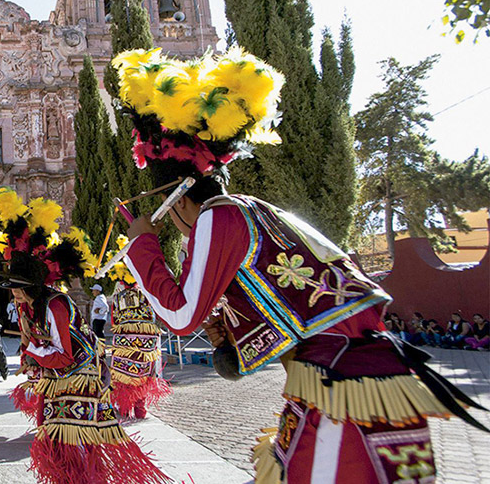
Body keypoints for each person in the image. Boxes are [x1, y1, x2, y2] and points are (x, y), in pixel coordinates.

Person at [111, 47, 488, 483]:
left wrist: (142, 246)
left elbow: (178, 315)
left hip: (339, 386)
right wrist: (230, 333)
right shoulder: (252, 211)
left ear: (175, 195)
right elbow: (290, 303)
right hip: (349, 381)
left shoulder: (218, 216)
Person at [0, 188, 170, 484]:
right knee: (56, 439)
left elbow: (64, 354)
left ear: (29, 288)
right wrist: (31, 352)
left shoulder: (56, 306)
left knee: (73, 443)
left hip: (78, 378)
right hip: (61, 378)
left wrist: (33, 351)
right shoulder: (33, 307)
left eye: (15, 287)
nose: (11, 294)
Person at [104, 235, 171, 418]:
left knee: (124, 376)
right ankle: (140, 409)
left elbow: (114, 322)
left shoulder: (118, 298)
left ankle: (125, 407)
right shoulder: (147, 295)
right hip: (146, 344)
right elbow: (156, 314)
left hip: (124, 343)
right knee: (143, 375)